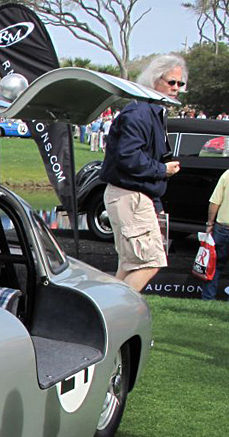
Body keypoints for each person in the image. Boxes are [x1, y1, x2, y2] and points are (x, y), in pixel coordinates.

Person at [100, 54, 185, 292]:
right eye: (171, 82)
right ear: (155, 80)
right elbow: (128, 157)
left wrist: (156, 202)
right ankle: (117, 316)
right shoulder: (139, 113)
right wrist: (162, 170)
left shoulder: (153, 112)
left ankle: (106, 317)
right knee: (150, 262)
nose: (176, 88)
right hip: (130, 196)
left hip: (137, 196)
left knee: (128, 266)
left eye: (180, 84)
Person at [202, 167, 229, 300]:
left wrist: (210, 223)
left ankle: (208, 298)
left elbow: (214, 202)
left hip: (223, 227)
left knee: (214, 266)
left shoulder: (227, 174)